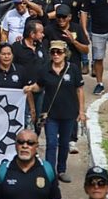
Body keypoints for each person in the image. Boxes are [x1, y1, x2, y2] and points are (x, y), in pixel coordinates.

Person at [24, 41, 86, 183]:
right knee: (51, 143)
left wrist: (81, 111)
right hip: (50, 114)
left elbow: (79, 89)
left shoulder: (74, 69)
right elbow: (39, 86)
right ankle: (50, 172)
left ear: (65, 53)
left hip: (69, 113)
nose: (56, 55)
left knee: (64, 143)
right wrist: (30, 88)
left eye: (59, 52)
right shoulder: (45, 69)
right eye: (53, 52)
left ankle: (62, 170)